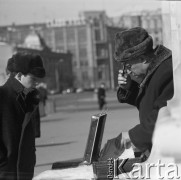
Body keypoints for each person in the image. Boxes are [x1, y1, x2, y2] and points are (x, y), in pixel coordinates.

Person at [99, 27, 174, 160]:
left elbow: (164, 116)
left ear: (144, 59)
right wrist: (129, 87)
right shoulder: (155, 70)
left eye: (128, 66)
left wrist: (131, 136)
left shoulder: (167, 72)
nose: (126, 71)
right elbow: (147, 102)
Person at [0, 52, 46, 180]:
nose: (37, 83)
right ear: (19, 75)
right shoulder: (2, 96)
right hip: (6, 172)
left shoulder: (29, 98)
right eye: (33, 78)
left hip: (23, 172)